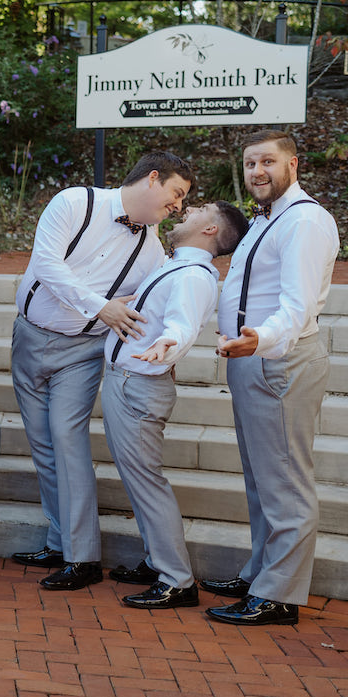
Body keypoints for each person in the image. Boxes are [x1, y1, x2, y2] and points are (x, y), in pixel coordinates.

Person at [11, 152, 192, 591]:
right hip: (27, 337)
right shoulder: (75, 203)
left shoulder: (152, 250)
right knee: (41, 444)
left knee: (67, 442)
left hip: (83, 350)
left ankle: (82, 558)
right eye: (176, 194)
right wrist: (101, 306)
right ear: (153, 179)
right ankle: (59, 540)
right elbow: (47, 264)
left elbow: (157, 304)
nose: (179, 207)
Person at [205, 130, 339, 626]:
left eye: (267, 162)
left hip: (279, 359)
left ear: (293, 164)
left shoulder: (304, 221)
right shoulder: (270, 220)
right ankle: (261, 572)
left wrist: (259, 339)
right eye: (249, 164)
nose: (257, 172)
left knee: (285, 482)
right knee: (264, 480)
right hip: (253, 357)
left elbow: (297, 307)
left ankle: (278, 595)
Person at [102, 201, 248, 610]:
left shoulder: (194, 276)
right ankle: (157, 561)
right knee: (139, 481)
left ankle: (177, 580)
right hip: (131, 382)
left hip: (139, 385)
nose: (188, 209)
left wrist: (170, 344)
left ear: (211, 230)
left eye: (200, 209)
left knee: (147, 483)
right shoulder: (178, 266)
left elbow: (182, 325)